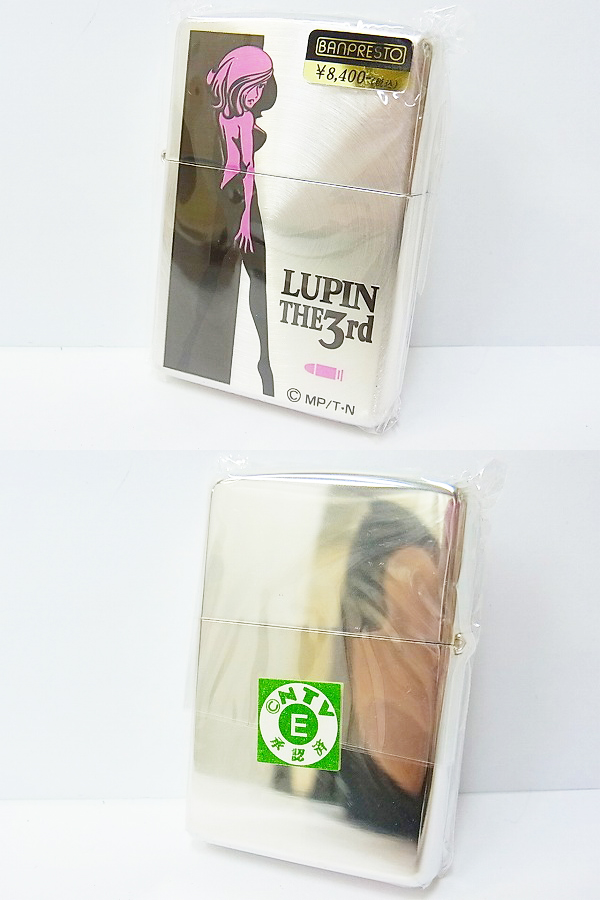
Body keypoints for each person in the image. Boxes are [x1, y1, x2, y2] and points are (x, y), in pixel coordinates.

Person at [205, 46, 276, 396]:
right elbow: (240, 170)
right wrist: (241, 216)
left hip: (236, 200)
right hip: (231, 201)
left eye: (262, 86)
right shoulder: (231, 119)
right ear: (238, 82)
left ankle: (263, 359)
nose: (257, 94)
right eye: (254, 85)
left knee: (251, 277)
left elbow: (244, 170)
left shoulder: (236, 118)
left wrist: (244, 217)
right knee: (238, 277)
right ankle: (253, 358)